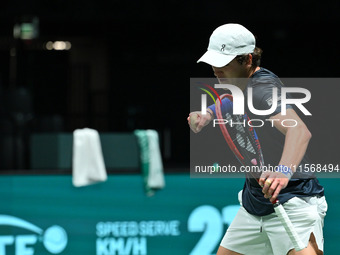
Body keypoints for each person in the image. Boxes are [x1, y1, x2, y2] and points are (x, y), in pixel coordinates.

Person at [188, 23, 327, 255]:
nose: (215, 69)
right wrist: (209, 113)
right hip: (255, 205)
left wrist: (282, 172)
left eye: (224, 63)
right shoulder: (242, 82)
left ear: (248, 60)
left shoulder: (263, 89)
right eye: (214, 61)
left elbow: (299, 131)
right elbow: (232, 98)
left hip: (292, 202)